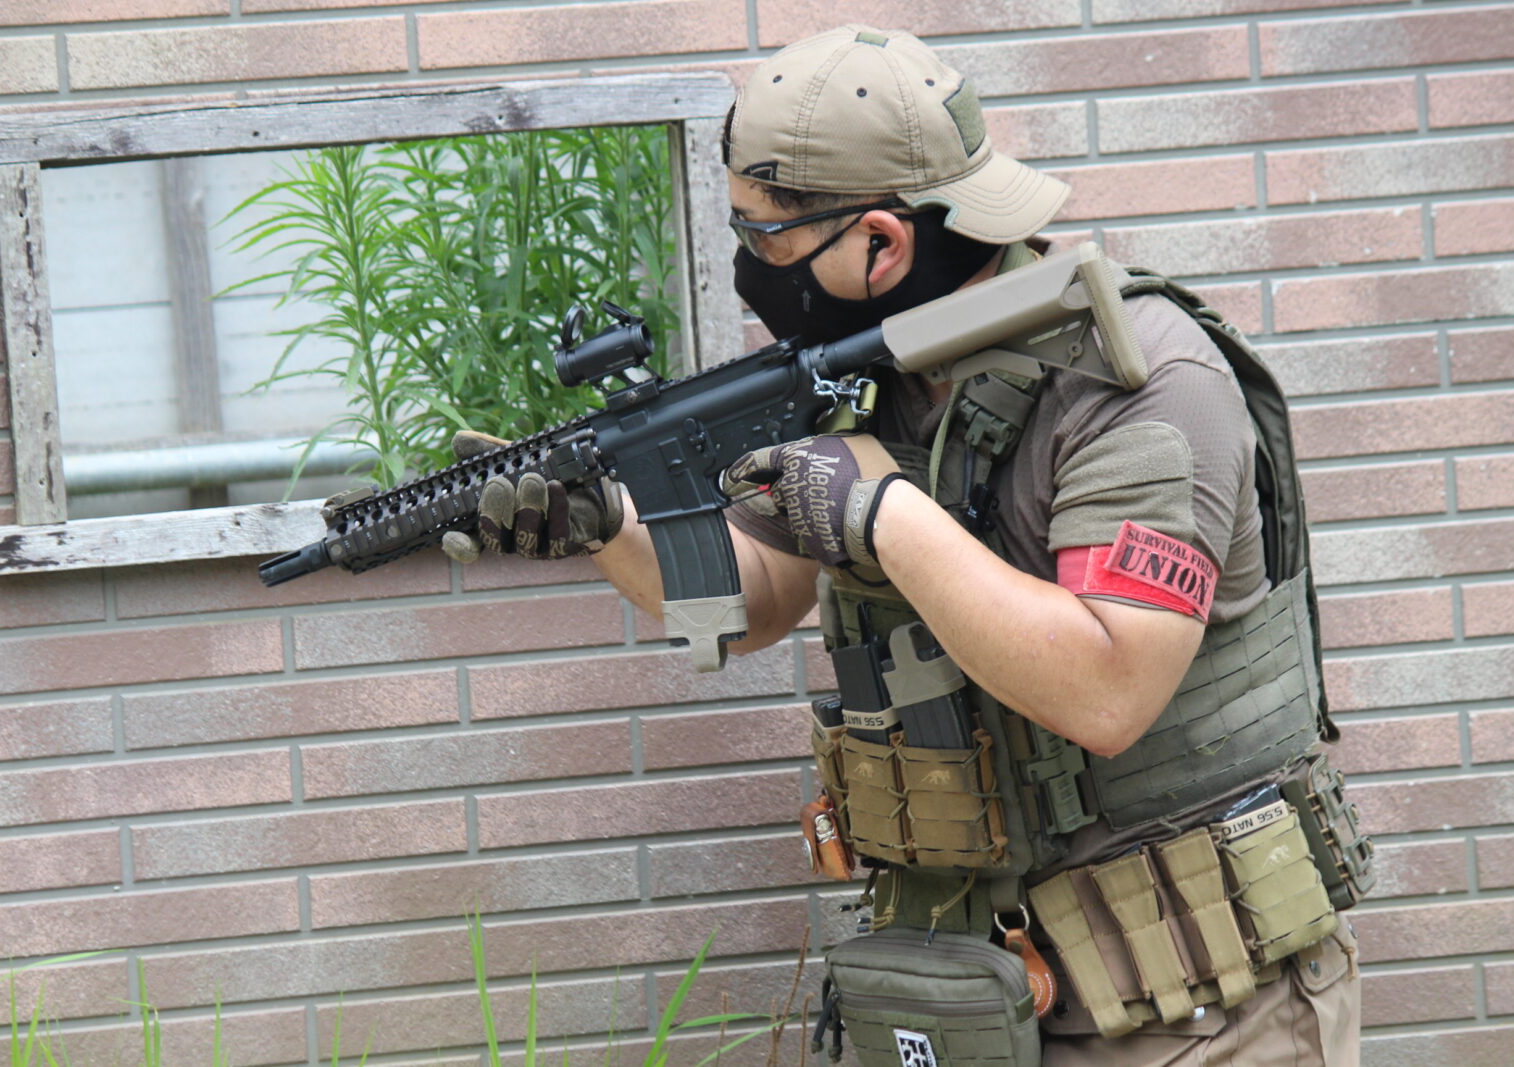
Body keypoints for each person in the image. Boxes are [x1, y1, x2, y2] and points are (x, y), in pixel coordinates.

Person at [445, 25, 1369, 1067]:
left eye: (765, 241)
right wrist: (607, 524)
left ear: (881, 243)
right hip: (974, 998)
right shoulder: (865, 376)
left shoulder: (1138, 381)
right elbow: (755, 597)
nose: (750, 270)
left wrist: (882, 512)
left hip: (1196, 1011)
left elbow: (1110, 690)